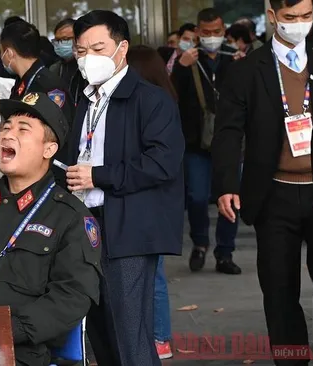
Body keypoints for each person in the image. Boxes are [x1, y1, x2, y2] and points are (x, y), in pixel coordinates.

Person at [0, 91, 101, 366]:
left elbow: (71, 298)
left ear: (49, 149)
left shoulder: (69, 218)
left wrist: (5, 329)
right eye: (6, 128)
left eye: (23, 130)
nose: (8, 136)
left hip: (18, 351)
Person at [66, 11, 184, 365]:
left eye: (98, 48)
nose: (89, 58)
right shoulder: (85, 99)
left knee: (130, 332)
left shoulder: (150, 100)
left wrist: (98, 176)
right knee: (101, 331)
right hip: (87, 224)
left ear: (122, 48)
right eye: (81, 51)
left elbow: (162, 163)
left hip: (130, 226)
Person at [213, 0, 313, 364]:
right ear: (272, 16)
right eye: (290, 18)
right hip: (273, 193)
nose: (299, 25)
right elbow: (228, 132)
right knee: (278, 290)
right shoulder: (246, 71)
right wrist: (227, 184)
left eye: (306, 17)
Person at [172, 8, 241, 275]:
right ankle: (200, 243)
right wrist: (181, 68)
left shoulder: (233, 60)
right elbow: (170, 95)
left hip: (230, 142)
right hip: (195, 142)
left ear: (224, 31)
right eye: (206, 32)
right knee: (197, 197)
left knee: (231, 198)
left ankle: (225, 252)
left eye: (217, 32)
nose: (212, 37)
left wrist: (243, 65)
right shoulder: (187, 60)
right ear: (198, 32)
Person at [127, 44, 178, 361]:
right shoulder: (166, 100)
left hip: (146, 202)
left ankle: (158, 337)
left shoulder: (150, 105)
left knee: (152, 273)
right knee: (151, 273)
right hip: (156, 203)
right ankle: (158, 337)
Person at [0, 20, 75, 184]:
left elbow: (60, 136)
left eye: (2, 52)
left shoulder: (49, 86)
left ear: (10, 53)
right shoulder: (22, 83)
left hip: (49, 175)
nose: (1, 58)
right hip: (28, 168)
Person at [49, 18, 86, 106]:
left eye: (65, 39)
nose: (60, 44)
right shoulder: (54, 69)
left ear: (78, 38)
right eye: (57, 40)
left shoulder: (86, 66)